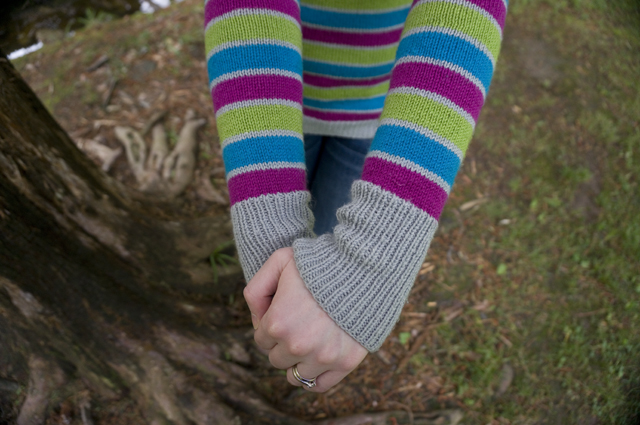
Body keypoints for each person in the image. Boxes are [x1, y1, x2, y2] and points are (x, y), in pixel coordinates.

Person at [204, 0, 507, 392]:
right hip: (274, 97)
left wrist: (366, 262)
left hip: (380, 108)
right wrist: (270, 250)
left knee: (332, 223)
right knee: (291, 269)